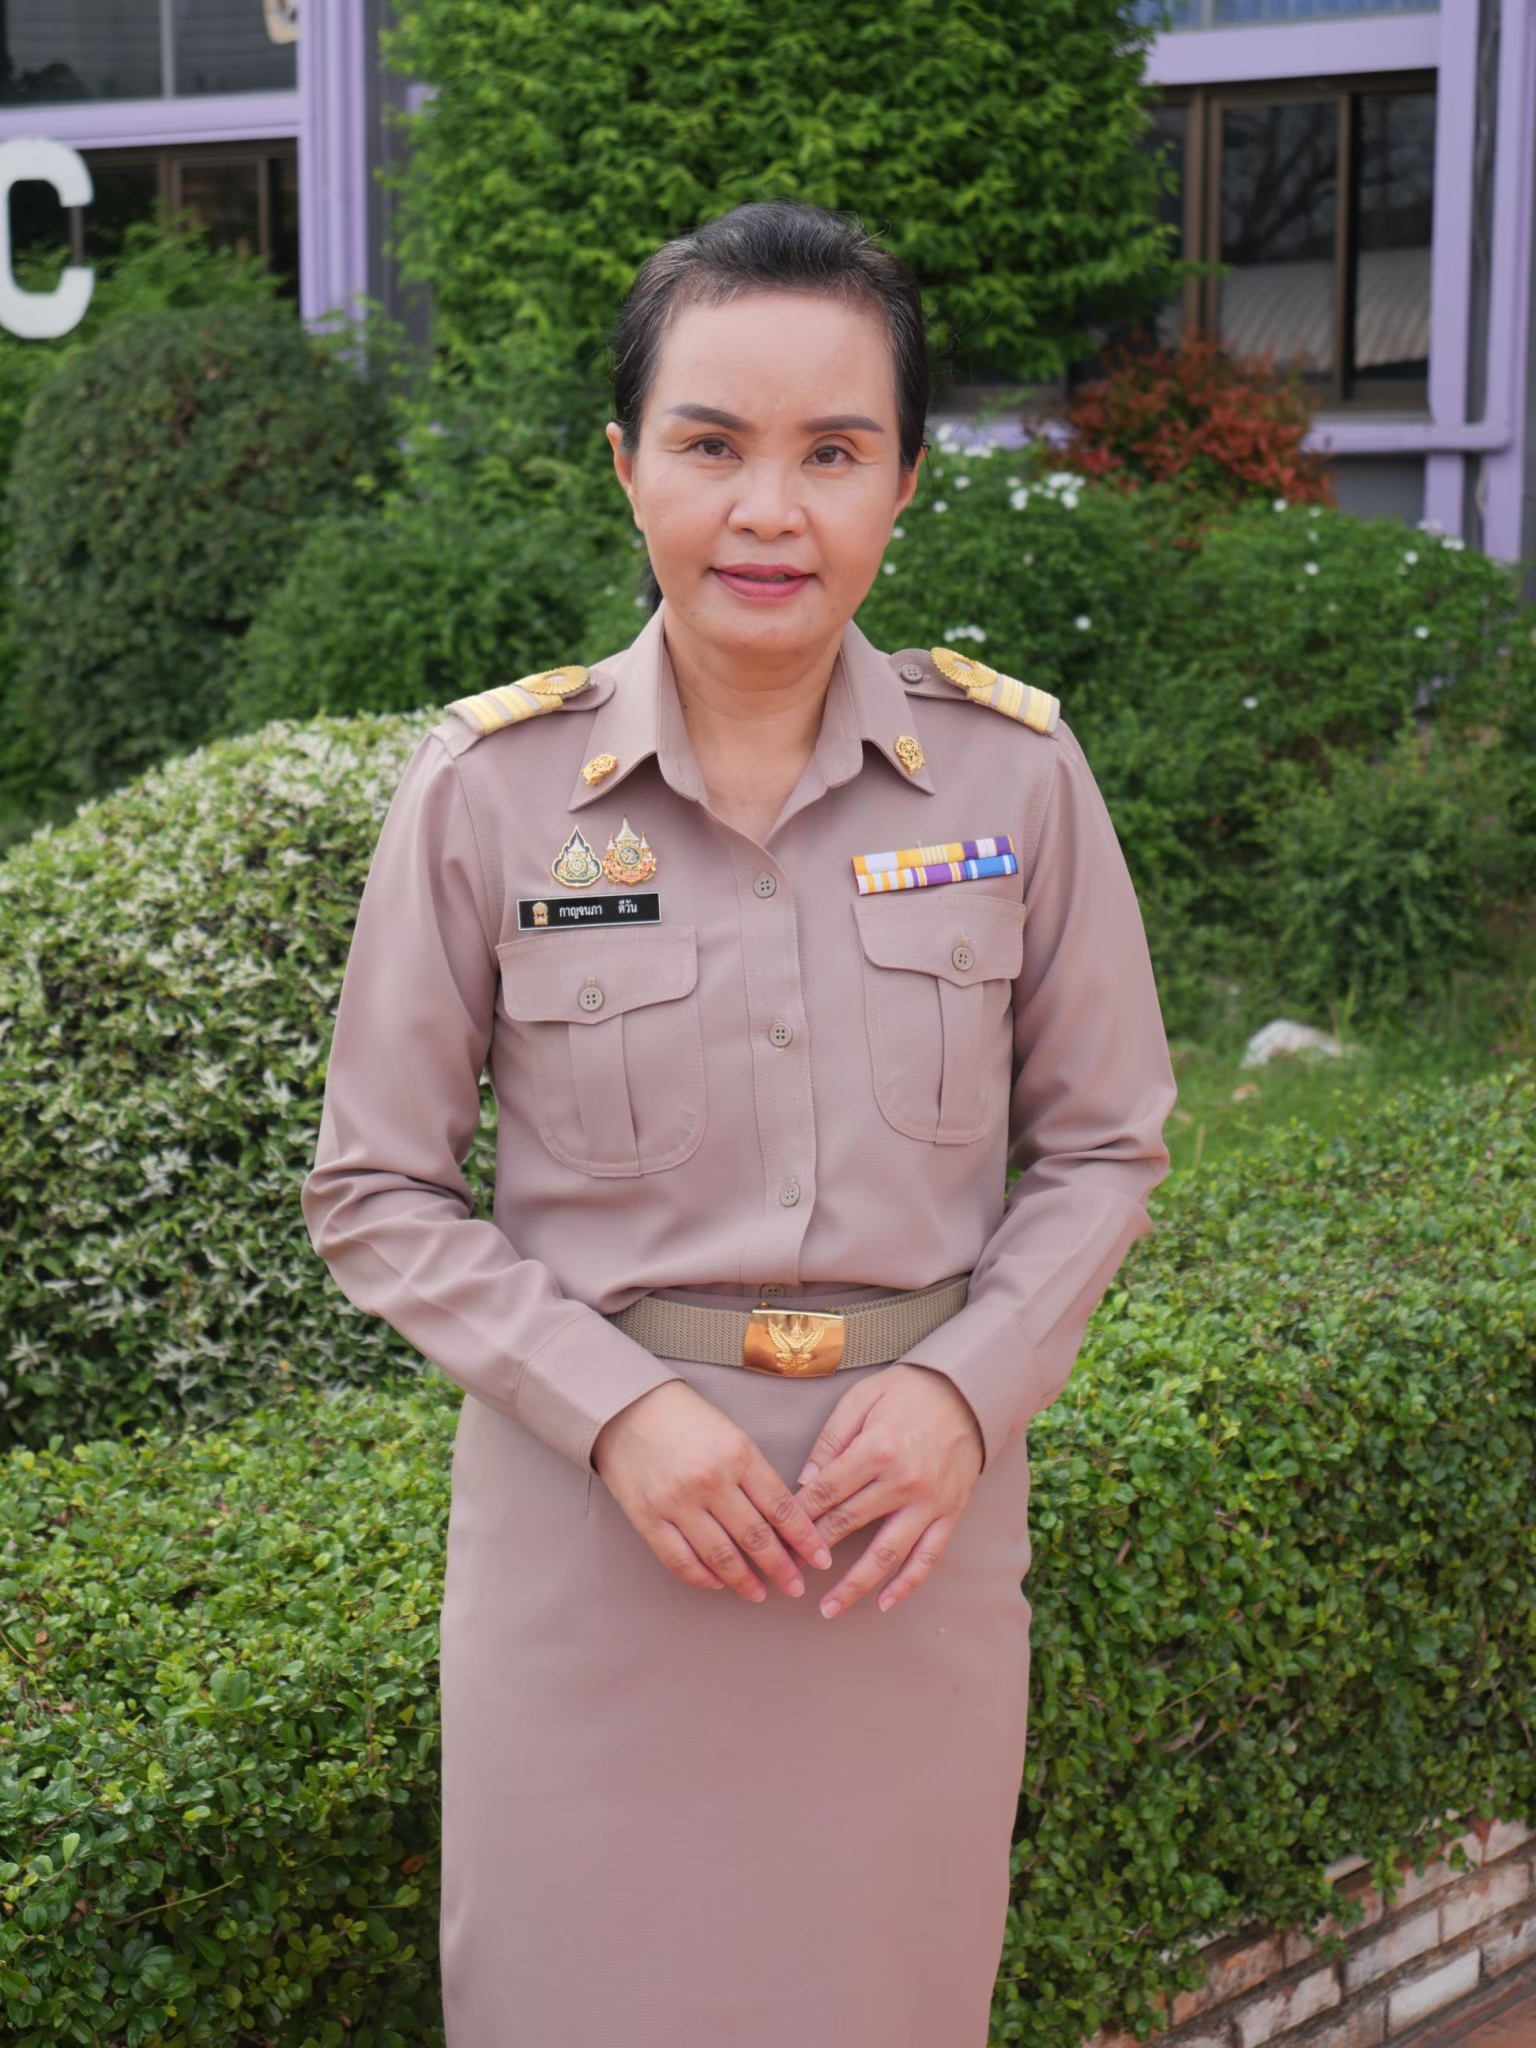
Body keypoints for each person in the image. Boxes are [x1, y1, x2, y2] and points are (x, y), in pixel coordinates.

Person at [302, 199, 1175, 2048]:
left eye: (833, 452)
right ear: (627, 464)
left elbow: (1107, 1144)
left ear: (907, 482)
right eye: (712, 445)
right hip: (593, 1551)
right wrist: (618, 1413)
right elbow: (375, 1188)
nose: (768, 511)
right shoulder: (491, 793)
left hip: (905, 1546)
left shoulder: (1016, 776)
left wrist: (965, 1395)